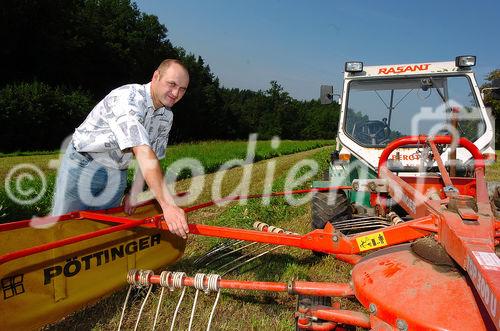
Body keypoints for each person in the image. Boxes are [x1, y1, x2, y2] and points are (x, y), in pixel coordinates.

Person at [51, 59, 190, 238]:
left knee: (102, 233)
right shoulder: (129, 98)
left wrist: (134, 191)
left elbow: (151, 156)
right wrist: (168, 205)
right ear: (156, 76)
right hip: (83, 164)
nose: (176, 93)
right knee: (63, 228)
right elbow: (142, 150)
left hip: (117, 172)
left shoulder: (166, 117)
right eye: (172, 84)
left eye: (182, 89)